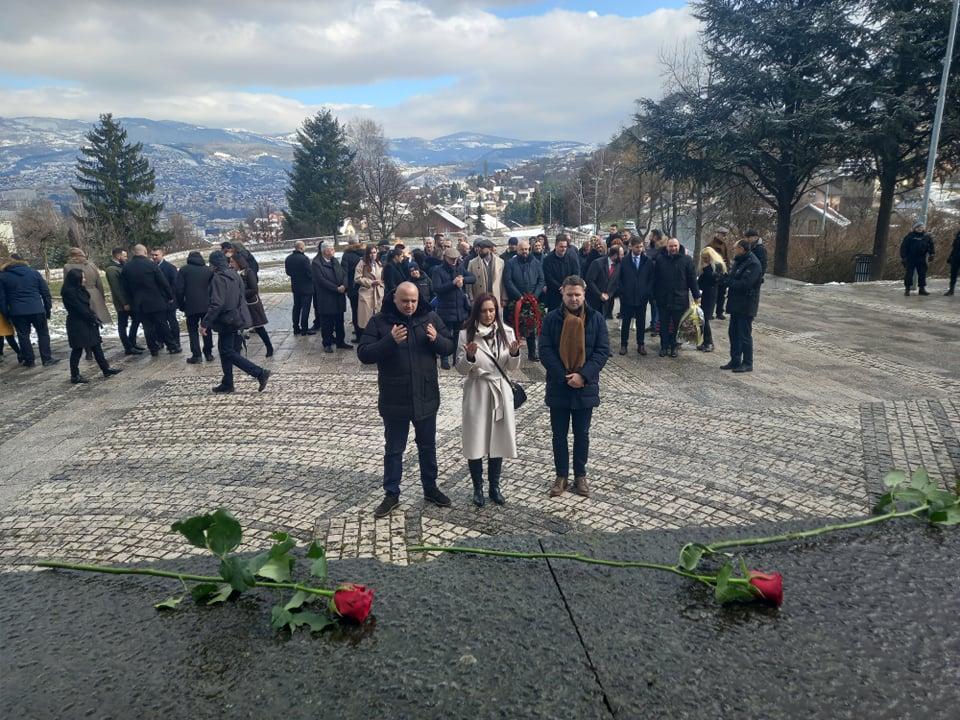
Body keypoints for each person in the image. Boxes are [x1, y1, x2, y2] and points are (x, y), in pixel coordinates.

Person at [357, 281, 457, 518]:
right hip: (395, 399)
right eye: (405, 301)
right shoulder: (380, 321)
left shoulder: (430, 317)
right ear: (395, 299)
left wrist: (437, 340)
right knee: (394, 449)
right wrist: (389, 341)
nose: (410, 305)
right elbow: (364, 354)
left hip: (426, 396)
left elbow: (450, 346)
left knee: (427, 446)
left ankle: (430, 488)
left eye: (413, 301)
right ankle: (391, 493)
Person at [540, 275, 610, 498]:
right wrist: (564, 376)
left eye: (577, 294)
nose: (573, 299)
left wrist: (583, 375)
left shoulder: (596, 318)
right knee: (558, 435)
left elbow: (602, 351)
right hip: (559, 386)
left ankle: (580, 475)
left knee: (582, 433)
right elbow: (545, 350)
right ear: (562, 292)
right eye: (569, 294)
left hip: (584, 387)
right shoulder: (551, 319)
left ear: (584, 293)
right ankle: (561, 475)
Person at [456, 293, 521, 507]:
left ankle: (495, 486)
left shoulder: (507, 332)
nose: (488, 314)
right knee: (475, 439)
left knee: (498, 439)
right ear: (477, 311)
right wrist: (470, 357)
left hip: (500, 390)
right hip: (477, 390)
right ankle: (477, 488)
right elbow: (460, 369)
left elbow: (512, 368)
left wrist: (513, 353)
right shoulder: (466, 334)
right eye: (484, 310)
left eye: (491, 310)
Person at [201, 250, 270, 393]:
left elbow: (217, 303)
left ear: (214, 264)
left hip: (226, 319)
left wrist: (205, 323)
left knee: (227, 351)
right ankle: (227, 383)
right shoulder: (234, 274)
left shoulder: (218, 278)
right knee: (225, 350)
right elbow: (241, 297)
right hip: (236, 318)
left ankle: (259, 373)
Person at [60, 268, 122, 384]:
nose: (84, 279)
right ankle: (75, 375)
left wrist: (93, 318)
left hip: (87, 322)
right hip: (78, 323)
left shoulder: (80, 290)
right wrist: (92, 317)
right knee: (77, 349)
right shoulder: (70, 293)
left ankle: (106, 369)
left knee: (96, 346)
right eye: (82, 277)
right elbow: (80, 308)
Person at [0, 254, 58, 367]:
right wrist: (47, 308)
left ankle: (29, 360)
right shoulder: (34, 273)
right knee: (43, 334)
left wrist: (6, 314)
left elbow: (2, 299)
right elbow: (45, 292)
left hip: (17, 311)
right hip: (37, 308)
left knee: (23, 335)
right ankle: (46, 358)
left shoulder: (3, 276)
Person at [122, 244, 177, 356]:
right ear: (145, 252)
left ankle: (153, 349)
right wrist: (170, 296)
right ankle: (172, 346)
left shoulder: (127, 267)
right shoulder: (150, 264)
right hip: (155, 300)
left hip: (139, 303)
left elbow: (125, 288)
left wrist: (129, 301)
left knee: (147, 327)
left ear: (134, 253)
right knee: (162, 324)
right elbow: (163, 282)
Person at [652, 237, 700, 358]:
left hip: (680, 299)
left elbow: (692, 280)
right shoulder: (660, 259)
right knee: (663, 325)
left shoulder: (687, 260)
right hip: (663, 299)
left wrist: (696, 295)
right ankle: (663, 346)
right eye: (671, 246)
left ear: (679, 246)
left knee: (677, 326)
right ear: (667, 247)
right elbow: (655, 279)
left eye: (675, 246)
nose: (673, 248)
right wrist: (654, 295)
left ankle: (674, 346)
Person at [721, 239, 763, 373]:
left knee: (744, 334)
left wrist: (728, 281)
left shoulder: (753, 264)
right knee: (733, 332)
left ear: (742, 249)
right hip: (735, 304)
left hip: (746, 305)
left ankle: (747, 362)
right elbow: (733, 277)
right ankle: (735, 360)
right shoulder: (740, 260)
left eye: (735, 248)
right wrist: (724, 278)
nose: (734, 251)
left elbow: (745, 284)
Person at [431, 247, 476, 370]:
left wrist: (463, 279)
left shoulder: (460, 267)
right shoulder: (438, 271)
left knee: (458, 336)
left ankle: (456, 359)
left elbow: (473, 278)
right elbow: (437, 288)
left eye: (455, 259)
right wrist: (452, 283)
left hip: (459, 309)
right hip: (445, 308)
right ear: (445, 258)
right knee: (444, 335)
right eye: (451, 259)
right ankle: (444, 359)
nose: (454, 261)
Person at [610, 236, 655, 356]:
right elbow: (619, 279)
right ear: (631, 247)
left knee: (641, 322)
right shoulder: (624, 261)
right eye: (637, 247)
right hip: (627, 297)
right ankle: (624, 345)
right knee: (626, 322)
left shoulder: (647, 261)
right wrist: (622, 292)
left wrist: (647, 292)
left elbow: (651, 279)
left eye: (641, 246)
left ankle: (641, 344)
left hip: (642, 297)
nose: (639, 249)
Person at [504, 239, 545, 361]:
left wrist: (535, 295)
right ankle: (512, 353)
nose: (525, 252)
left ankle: (532, 353)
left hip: (532, 299)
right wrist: (519, 296)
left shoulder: (536, 262)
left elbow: (541, 280)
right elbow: (508, 281)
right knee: (513, 327)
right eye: (522, 249)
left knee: (531, 327)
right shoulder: (510, 263)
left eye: (526, 249)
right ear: (517, 249)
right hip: (516, 300)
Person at [230, 253, 273, 358]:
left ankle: (269, 347)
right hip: (240, 305)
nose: (230, 264)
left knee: (258, 326)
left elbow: (254, 289)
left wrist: (240, 294)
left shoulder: (248, 272)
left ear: (238, 262)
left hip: (251, 304)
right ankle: (237, 350)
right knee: (239, 328)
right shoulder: (233, 273)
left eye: (232, 261)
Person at [312, 241, 351, 353]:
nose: (333, 251)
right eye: (331, 249)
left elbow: (344, 274)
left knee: (339, 321)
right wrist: (336, 288)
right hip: (327, 298)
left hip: (339, 297)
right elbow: (321, 280)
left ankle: (340, 341)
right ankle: (327, 343)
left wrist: (344, 285)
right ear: (325, 251)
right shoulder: (316, 263)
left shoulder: (335, 261)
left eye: (333, 249)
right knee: (327, 323)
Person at [175, 250, 214, 363]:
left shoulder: (184, 270)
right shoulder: (208, 270)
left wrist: (181, 305)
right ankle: (208, 353)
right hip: (207, 305)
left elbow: (179, 290)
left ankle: (196, 355)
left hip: (191, 305)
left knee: (192, 330)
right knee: (207, 328)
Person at [104, 247, 144, 355]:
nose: (126, 258)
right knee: (122, 324)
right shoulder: (112, 269)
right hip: (122, 302)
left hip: (129, 299)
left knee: (136, 319)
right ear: (118, 256)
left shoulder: (122, 266)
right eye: (124, 256)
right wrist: (124, 302)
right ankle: (128, 346)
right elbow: (116, 288)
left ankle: (132, 342)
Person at [64, 247, 111, 330]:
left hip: (79, 295)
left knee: (84, 319)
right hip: (95, 294)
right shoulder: (92, 265)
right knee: (95, 318)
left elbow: (68, 283)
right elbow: (99, 283)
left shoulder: (68, 267)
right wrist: (101, 297)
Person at [150, 248, 182, 353]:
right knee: (160, 322)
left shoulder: (170, 267)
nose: (154, 257)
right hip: (157, 300)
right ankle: (161, 341)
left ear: (162, 255)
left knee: (172, 321)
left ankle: (176, 341)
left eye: (156, 255)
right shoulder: (151, 268)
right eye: (153, 255)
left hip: (169, 300)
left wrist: (170, 297)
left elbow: (175, 284)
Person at [697, 247, 726, 352]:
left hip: (711, 294)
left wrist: (705, 269)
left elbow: (713, 279)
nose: (705, 259)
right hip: (706, 293)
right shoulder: (711, 266)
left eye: (706, 257)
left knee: (705, 318)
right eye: (703, 258)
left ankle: (709, 342)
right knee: (702, 318)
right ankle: (705, 341)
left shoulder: (716, 266)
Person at [542, 233, 580, 312]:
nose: (564, 249)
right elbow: (548, 276)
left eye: (565, 247)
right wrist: (560, 287)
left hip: (570, 292)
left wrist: (567, 287)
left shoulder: (572, 257)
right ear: (555, 246)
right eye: (561, 247)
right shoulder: (548, 259)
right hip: (554, 293)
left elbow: (576, 272)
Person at [285, 240, 315, 336]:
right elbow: (310, 273)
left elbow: (288, 272)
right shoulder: (304, 259)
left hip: (295, 286)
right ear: (301, 248)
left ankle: (296, 328)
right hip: (306, 287)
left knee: (296, 307)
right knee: (305, 308)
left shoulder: (288, 258)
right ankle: (304, 329)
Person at [355, 245, 384, 336]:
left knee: (378, 317)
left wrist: (381, 285)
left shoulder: (378, 263)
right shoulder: (362, 263)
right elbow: (357, 278)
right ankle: (366, 338)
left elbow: (382, 277)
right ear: (367, 254)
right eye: (371, 253)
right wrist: (370, 282)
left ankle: (376, 336)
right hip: (366, 293)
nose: (373, 255)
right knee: (366, 319)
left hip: (378, 292)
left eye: (374, 252)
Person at [467, 238, 506, 306]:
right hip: (479, 297)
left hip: (496, 297)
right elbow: (469, 283)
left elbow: (503, 281)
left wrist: (504, 298)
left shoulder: (500, 262)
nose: (479, 250)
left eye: (482, 248)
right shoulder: (472, 263)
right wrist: (471, 298)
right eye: (479, 248)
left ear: (490, 249)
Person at [900, 222, 935, 296]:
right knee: (909, 274)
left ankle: (922, 289)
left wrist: (932, 254)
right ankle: (907, 289)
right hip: (910, 258)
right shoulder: (909, 236)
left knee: (922, 274)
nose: (920, 229)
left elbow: (931, 245)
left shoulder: (927, 236)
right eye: (918, 227)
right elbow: (903, 247)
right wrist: (903, 257)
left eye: (922, 227)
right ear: (915, 228)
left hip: (922, 258)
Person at [585, 244, 620, 320]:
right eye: (622, 254)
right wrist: (599, 294)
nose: (623, 256)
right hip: (593, 300)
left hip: (606, 302)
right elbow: (589, 280)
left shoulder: (618, 266)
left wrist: (609, 295)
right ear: (615, 255)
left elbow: (615, 283)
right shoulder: (597, 263)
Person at [340, 241, 365, 340]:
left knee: (355, 311)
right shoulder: (364, 253)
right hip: (365, 286)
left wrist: (345, 286)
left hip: (353, 287)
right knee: (365, 310)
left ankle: (359, 335)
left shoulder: (347, 255)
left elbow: (344, 272)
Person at [0, 259, 23, 364]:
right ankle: (19, 352)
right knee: (8, 334)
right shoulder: (4, 275)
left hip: (3, 308)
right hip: (4, 308)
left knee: (5, 333)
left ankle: (3, 353)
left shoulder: (3, 276)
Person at [709, 227, 731, 319]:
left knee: (721, 294)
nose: (724, 237)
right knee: (713, 294)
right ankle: (709, 312)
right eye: (723, 235)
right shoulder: (711, 246)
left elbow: (726, 258)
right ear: (717, 234)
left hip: (723, 273)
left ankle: (719, 312)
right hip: (714, 273)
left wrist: (727, 269)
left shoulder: (724, 245)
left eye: (725, 235)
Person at [946, 230, 960, 296]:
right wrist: (950, 256)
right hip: (956, 257)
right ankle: (951, 290)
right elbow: (955, 248)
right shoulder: (958, 233)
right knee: (953, 274)